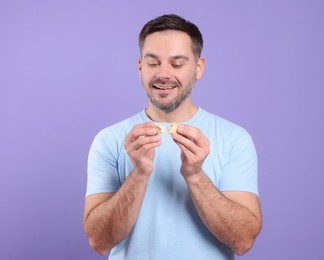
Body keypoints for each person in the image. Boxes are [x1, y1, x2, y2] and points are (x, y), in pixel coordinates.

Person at [83, 14, 262, 260]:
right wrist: (139, 174)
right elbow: (99, 242)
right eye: (153, 63)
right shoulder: (109, 140)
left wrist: (196, 175)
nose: (164, 74)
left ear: (198, 68)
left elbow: (243, 241)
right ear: (140, 67)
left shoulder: (234, 138)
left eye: (177, 64)